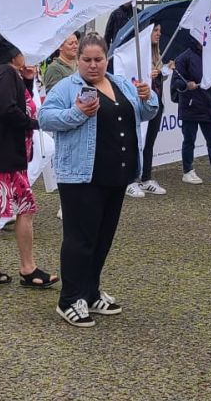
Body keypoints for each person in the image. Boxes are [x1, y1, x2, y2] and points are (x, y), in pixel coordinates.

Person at [38, 34, 158, 327]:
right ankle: (69, 299)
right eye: (87, 60)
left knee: (103, 238)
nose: (93, 65)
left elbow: (145, 114)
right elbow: (45, 118)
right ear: (78, 60)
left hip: (116, 174)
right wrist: (76, 113)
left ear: (107, 59)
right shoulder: (67, 87)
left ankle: (90, 293)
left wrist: (148, 97)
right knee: (80, 240)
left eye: (98, 59)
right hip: (81, 176)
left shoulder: (120, 84)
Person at [0, 34, 57, 289]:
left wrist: (26, 81)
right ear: (14, 54)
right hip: (5, 158)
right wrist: (33, 124)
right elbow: (9, 109)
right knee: (26, 210)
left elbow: (15, 102)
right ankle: (28, 268)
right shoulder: (7, 75)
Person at [173, 38, 211, 184]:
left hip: (209, 105)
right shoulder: (184, 58)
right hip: (191, 106)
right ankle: (188, 170)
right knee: (189, 140)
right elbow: (176, 81)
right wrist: (186, 84)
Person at [129, 24, 171, 198]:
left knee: (149, 142)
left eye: (160, 30)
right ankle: (131, 180)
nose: (159, 34)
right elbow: (132, 76)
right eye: (155, 30)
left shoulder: (157, 55)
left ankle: (146, 178)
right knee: (135, 141)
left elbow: (158, 81)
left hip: (156, 104)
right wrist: (148, 74)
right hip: (139, 105)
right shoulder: (137, 53)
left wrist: (162, 72)